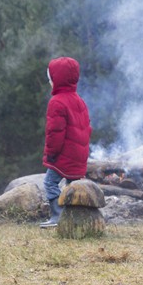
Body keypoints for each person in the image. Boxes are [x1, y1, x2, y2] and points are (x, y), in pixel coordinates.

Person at [40, 57, 92, 228]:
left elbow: (55, 133)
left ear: (56, 79)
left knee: (50, 182)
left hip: (63, 155)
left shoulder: (57, 102)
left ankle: (57, 216)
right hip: (78, 155)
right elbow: (86, 129)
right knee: (73, 186)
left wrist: (51, 154)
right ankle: (74, 217)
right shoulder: (80, 101)